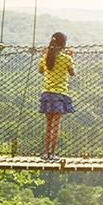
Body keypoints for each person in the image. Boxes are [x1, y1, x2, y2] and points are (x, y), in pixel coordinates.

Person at [38, 32, 75, 161]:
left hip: (47, 94)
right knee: (56, 125)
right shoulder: (66, 59)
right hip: (60, 94)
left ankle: (45, 153)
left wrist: (43, 56)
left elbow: (41, 70)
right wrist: (71, 57)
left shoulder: (47, 57)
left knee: (48, 124)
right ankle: (53, 154)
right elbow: (72, 73)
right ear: (64, 44)